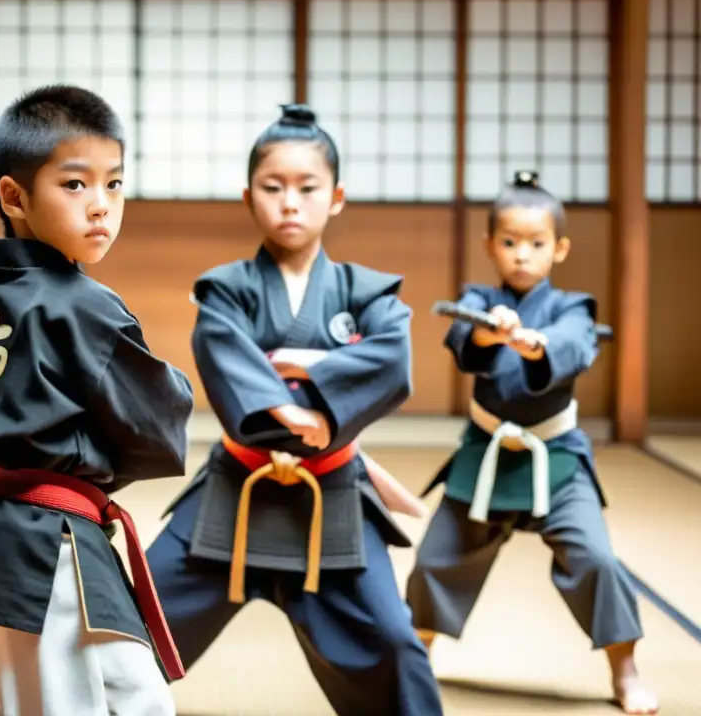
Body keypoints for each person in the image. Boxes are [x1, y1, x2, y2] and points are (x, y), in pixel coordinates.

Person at [145, 104, 443, 716]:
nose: (290, 203)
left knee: (394, 643)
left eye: (307, 189)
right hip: (237, 486)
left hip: (332, 493)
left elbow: (393, 361)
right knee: (130, 627)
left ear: (336, 198)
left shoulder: (369, 292)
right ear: (248, 196)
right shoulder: (226, 288)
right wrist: (289, 405)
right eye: (272, 187)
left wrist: (301, 372)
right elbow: (220, 348)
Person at [0, 85, 195, 716]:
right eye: (75, 186)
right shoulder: (86, 305)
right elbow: (159, 422)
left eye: (114, 185)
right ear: (14, 197)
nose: (101, 206)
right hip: (48, 556)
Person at [405, 170, 658, 715]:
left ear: (559, 248)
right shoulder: (479, 299)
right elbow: (462, 338)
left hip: (556, 458)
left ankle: (625, 668)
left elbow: (573, 344)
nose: (522, 255)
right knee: (433, 561)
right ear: (489, 245)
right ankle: (415, 659)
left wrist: (536, 343)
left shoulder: (574, 308)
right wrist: (485, 330)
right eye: (510, 242)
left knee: (595, 558)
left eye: (537, 243)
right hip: (486, 455)